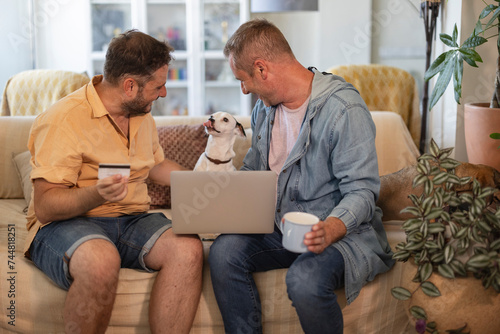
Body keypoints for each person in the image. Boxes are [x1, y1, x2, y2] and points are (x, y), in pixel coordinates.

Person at [208, 19, 395, 333]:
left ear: (262, 69)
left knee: (305, 280)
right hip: (283, 227)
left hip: (337, 233)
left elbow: (362, 190)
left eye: (243, 80)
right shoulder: (263, 110)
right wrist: (224, 204)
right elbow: (254, 172)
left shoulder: (343, 108)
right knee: (223, 252)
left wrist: (332, 227)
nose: (244, 89)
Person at [23, 30, 203, 333]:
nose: (164, 94)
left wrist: (205, 182)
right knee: (100, 260)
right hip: (68, 223)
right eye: (158, 86)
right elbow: (45, 206)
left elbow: (154, 165)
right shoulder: (64, 119)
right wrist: (96, 194)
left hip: (131, 220)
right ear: (129, 86)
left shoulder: (140, 113)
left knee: (188, 247)